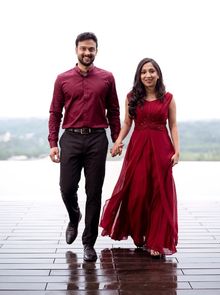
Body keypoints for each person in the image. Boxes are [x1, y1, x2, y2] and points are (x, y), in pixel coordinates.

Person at [48, 32, 121, 262]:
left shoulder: (107, 78)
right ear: (76, 50)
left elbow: (115, 111)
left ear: (96, 51)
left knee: (94, 192)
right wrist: (53, 143)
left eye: (91, 49)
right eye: (83, 49)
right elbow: (54, 112)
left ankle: (89, 243)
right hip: (70, 138)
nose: (87, 52)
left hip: (97, 139)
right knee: (67, 188)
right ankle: (74, 216)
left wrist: (116, 139)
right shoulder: (62, 79)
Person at [100, 57, 179, 257]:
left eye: (152, 71)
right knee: (137, 193)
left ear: (158, 74)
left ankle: (156, 241)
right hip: (138, 149)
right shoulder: (131, 97)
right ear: (139, 75)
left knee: (160, 195)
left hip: (162, 148)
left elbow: (173, 126)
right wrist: (117, 142)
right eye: (144, 72)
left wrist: (177, 151)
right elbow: (127, 123)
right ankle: (139, 234)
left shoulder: (168, 98)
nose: (148, 75)